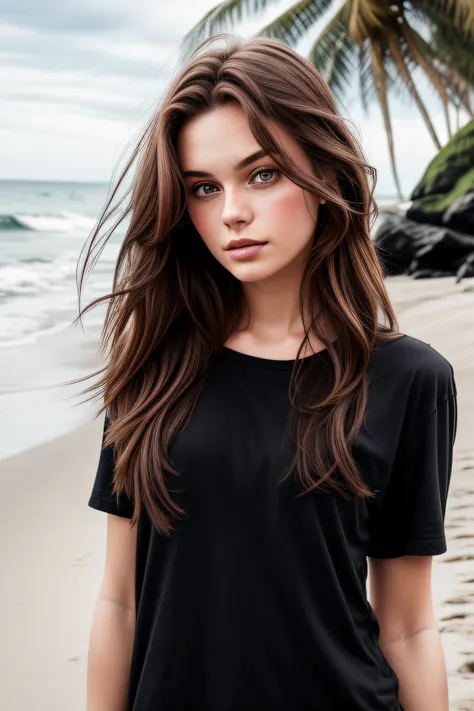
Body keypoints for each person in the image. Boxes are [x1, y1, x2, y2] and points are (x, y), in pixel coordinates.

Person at [81, 34, 457, 711]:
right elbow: (118, 601)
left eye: (262, 174)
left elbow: (409, 626)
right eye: (203, 187)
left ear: (326, 173)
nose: (232, 212)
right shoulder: (152, 367)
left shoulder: (409, 380)